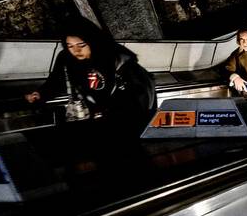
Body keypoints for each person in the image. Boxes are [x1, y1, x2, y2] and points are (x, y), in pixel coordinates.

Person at [24, 17, 157, 137]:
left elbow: (140, 94)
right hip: (96, 117)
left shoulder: (115, 57)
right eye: (70, 46)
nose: (76, 51)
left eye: (81, 45)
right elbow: (56, 81)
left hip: (125, 116)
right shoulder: (66, 57)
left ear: (92, 40)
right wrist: (41, 94)